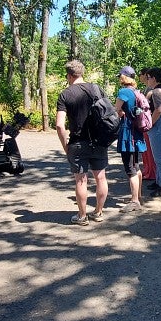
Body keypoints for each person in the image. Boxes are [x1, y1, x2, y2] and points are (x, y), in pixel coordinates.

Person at [56, 60, 110, 226]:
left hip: (78, 142)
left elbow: (59, 125)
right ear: (82, 73)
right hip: (98, 141)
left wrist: (65, 145)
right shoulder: (96, 89)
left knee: (81, 180)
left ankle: (82, 216)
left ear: (69, 75)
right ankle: (98, 212)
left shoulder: (65, 94)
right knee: (101, 177)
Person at [115, 66, 147, 213]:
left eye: (120, 76)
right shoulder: (136, 92)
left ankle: (134, 201)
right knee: (136, 166)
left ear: (124, 77)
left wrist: (122, 113)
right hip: (137, 132)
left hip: (128, 134)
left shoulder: (123, 92)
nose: (119, 78)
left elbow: (116, 110)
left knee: (130, 168)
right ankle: (138, 196)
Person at [145, 67, 161, 197]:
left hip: (159, 125)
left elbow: (158, 110)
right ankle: (159, 181)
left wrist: (150, 124)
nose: (147, 79)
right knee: (158, 157)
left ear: (154, 78)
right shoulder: (158, 90)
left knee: (160, 159)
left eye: (148, 77)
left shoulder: (157, 91)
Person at [138, 67, 157, 182]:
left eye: (140, 74)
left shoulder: (150, 89)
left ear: (146, 75)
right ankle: (147, 169)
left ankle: (152, 172)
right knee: (145, 149)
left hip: (148, 122)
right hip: (143, 121)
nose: (139, 77)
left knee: (150, 149)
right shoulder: (146, 88)